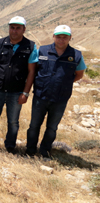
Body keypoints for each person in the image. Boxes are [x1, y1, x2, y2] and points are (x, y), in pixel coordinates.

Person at [0, 16, 38, 153]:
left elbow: (31, 72)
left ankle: (10, 146)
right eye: (12, 27)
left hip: (17, 91)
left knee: (13, 121)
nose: (15, 31)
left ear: (24, 29)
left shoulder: (31, 47)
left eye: (18, 28)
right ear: (9, 28)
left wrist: (25, 93)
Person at [26, 25, 85, 158]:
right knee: (34, 125)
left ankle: (44, 151)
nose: (61, 40)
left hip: (60, 99)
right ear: (53, 37)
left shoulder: (76, 55)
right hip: (41, 95)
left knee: (52, 128)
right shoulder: (42, 50)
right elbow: (33, 70)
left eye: (65, 37)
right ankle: (30, 151)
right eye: (58, 36)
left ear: (70, 38)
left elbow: (79, 75)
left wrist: (64, 83)